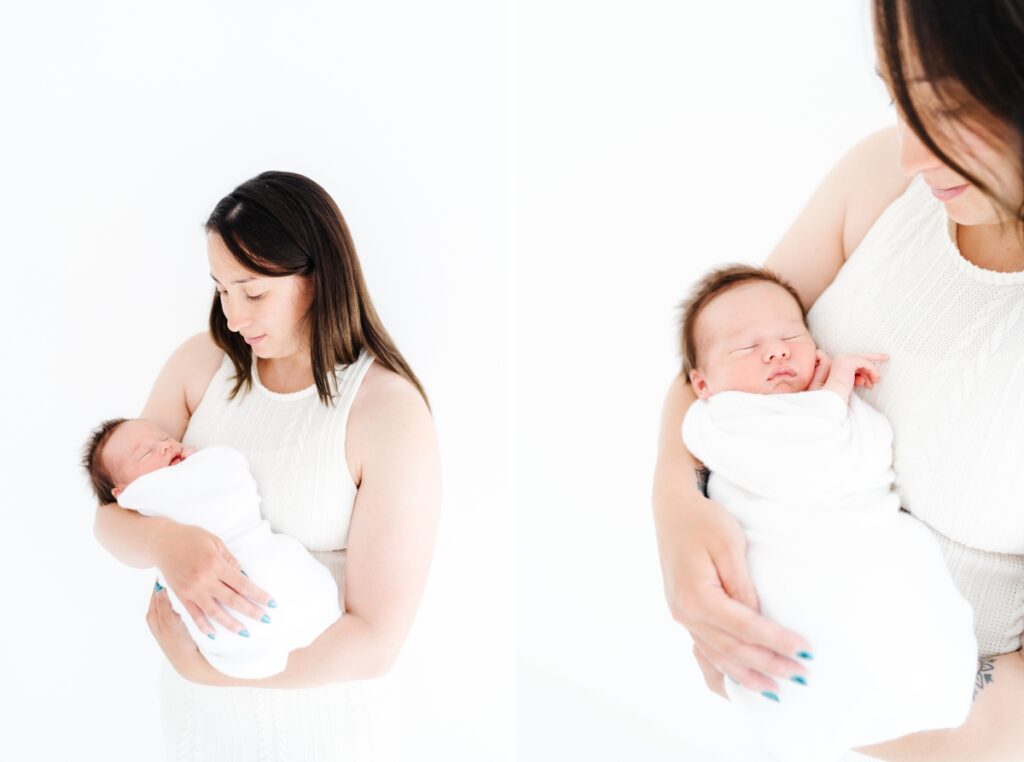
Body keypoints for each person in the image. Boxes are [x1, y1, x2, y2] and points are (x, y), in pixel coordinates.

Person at [652, 1, 1024, 759]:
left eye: (951, 107)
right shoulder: (879, 180)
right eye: (899, 96)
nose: (913, 155)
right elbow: (717, 350)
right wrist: (674, 512)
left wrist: (868, 704)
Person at [93, 171, 441, 761]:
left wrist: (214, 674)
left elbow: (375, 642)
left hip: (321, 731)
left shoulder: (386, 413)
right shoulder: (200, 367)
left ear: (319, 278)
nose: (232, 317)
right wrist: (166, 542)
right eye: (220, 290)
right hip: (198, 728)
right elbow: (110, 517)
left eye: (252, 293)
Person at [679, 265, 976, 761]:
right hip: (783, 570)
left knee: (908, 603)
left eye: (790, 336)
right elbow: (801, 467)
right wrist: (833, 393)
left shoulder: (825, 409)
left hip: (862, 546)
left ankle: (929, 684)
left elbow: (869, 456)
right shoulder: (720, 421)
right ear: (702, 383)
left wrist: (833, 404)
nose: (775, 351)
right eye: (745, 347)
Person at [83, 417, 342, 679]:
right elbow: (105, 521)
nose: (164, 447)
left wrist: (201, 464)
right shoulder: (139, 498)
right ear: (122, 491)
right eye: (146, 452)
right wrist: (161, 539)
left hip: (306, 631)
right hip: (208, 615)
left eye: (164, 438)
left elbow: (230, 472)